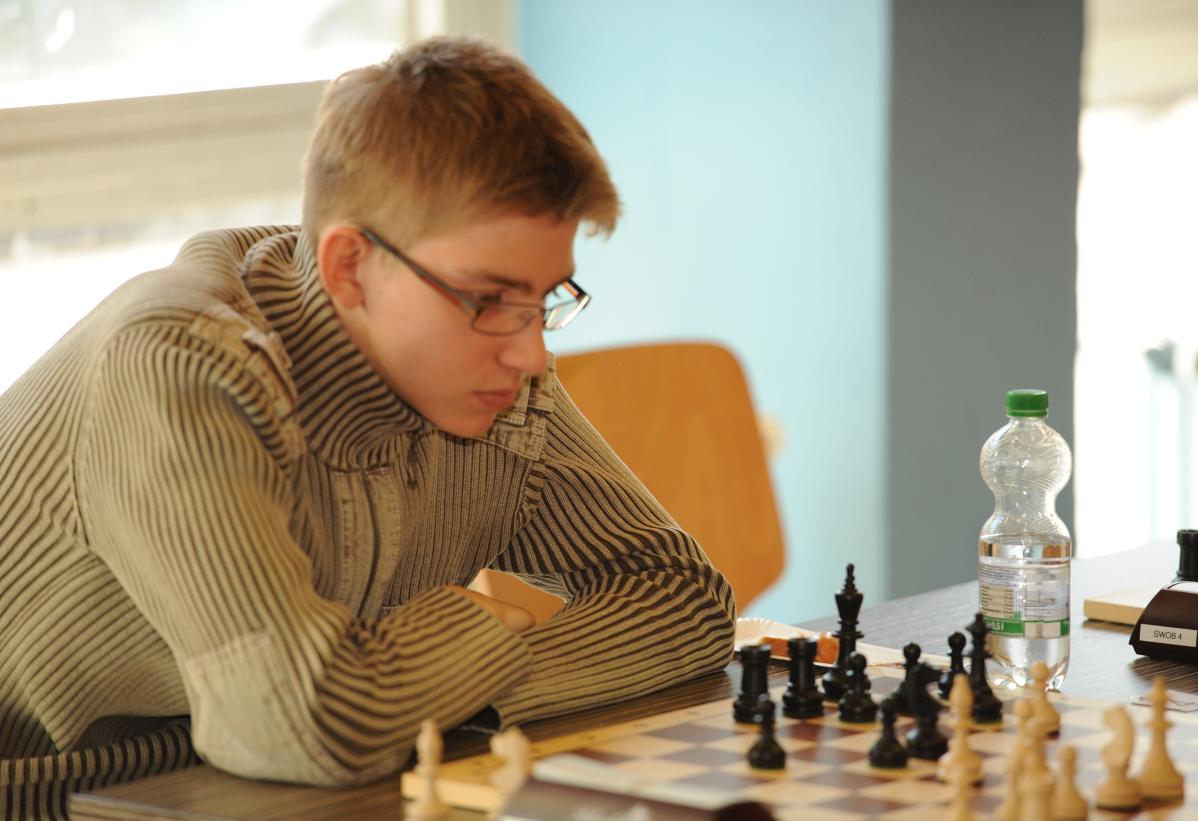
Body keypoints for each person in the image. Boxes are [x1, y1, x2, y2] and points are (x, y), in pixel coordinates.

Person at [0, 36, 735, 818]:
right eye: (488, 299)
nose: (532, 352)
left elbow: (682, 595)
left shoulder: (490, 376)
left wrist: (441, 686)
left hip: (272, 792)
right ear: (350, 267)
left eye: (546, 297)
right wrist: (474, 627)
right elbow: (298, 724)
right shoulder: (179, 365)